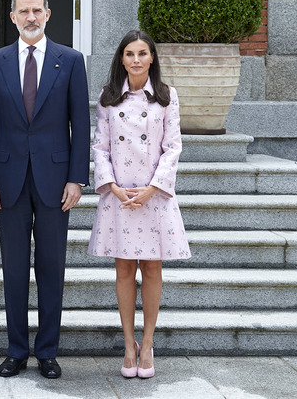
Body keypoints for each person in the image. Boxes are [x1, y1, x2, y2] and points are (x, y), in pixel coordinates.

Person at [0, 0, 90, 379]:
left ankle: (48, 352)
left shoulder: (71, 61)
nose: (30, 17)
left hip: (56, 182)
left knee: (51, 267)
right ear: (12, 17)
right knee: (13, 268)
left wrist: (78, 178)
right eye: (23, 11)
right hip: (7, 182)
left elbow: (81, 124)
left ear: (48, 13)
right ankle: (16, 350)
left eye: (36, 10)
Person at [88, 30, 191, 379]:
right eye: (129, 53)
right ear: (121, 59)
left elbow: (173, 147)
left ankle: (148, 343)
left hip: (152, 195)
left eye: (142, 53)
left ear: (152, 58)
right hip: (120, 194)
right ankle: (128, 343)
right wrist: (111, 186)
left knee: (151, 269)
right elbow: (100, 146)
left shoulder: (166, 96)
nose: (135, 59)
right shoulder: (108, 97)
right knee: (123, 270)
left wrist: (154, 187)